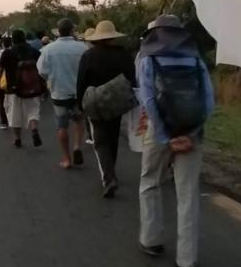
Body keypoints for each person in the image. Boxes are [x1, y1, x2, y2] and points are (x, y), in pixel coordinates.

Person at [137, 15, 214, 267]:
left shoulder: (146, 58)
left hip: (159, 132)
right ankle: (186, 258)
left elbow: (148, 101)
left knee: (150, 182)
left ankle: (151, 239)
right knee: (188, 194)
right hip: (192, 133)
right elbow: (208, 103)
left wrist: (164, 137)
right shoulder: (195, 59)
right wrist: (190, 134)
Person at [77, 20, 135, 198]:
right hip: (116, 101)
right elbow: (132, 78)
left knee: (100, 140)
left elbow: (81, 82)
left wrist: (81, 104)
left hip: (95, 102)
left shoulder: (89, 56)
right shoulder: (123, 55)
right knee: (113, 136)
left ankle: (109, 178)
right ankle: (112, 169)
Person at [38, 19, 87, 169]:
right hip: (78, 92)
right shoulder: (82, 48)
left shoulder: (48, 49)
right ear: (72, 30)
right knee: (79, 120)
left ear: (58, 31)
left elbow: (42, 71)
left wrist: (52, 78)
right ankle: (77, 146)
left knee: (62, 126)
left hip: (59, 93)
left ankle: (66, 159)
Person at [0, 30, 43, 148]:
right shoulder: (33, 51)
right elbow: (41, 69)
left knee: (14, 115)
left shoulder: (7, 53)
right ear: (24, 38)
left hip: (13, 89)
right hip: (31, 88)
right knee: (33, 111)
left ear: (13, 40)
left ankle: (17, 138)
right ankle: (34, 128)